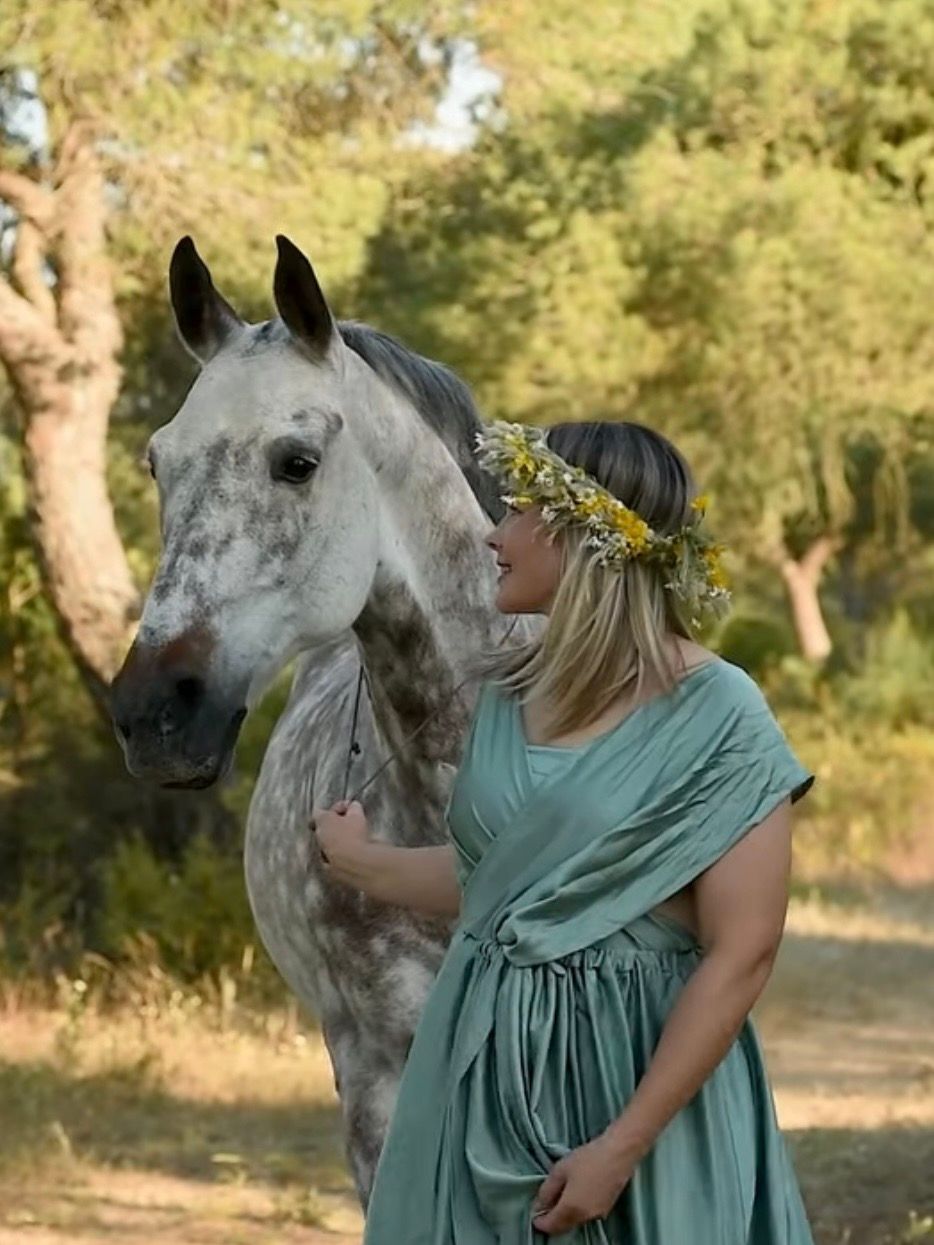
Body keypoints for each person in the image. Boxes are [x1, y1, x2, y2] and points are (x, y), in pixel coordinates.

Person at [312, 419, 815, 1244]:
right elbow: (506, 884)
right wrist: (364, 862)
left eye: (516, 511)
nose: (493, 534)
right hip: (477, 1074)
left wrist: (621, 1146)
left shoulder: (721, 714)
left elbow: (743, 952)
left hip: (634, 1083)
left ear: (584, 533)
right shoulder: (510, 692)